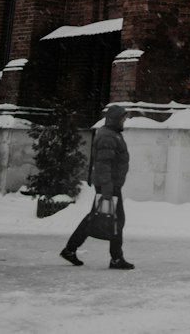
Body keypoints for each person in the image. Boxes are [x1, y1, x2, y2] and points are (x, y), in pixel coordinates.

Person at [60, 103, 134, 270]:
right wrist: (108, 188)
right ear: (116, 119)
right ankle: (115, 258)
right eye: (123, 118)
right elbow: (103, 164)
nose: (124, 121)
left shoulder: (113, 134)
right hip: (108, 185)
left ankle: (71, 249)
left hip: (109, 184)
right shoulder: (109, 136)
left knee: (101, 218)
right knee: (114, 220)